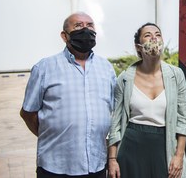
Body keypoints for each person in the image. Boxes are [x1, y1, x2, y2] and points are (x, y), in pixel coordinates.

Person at [20, 12, 116, 177]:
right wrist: (53, 134)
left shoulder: (106, 68)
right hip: (55, 165)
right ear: (64, 36)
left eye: (90, 25)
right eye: (78, 26)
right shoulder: (45, 68)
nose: (85, 30)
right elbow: (28, 113)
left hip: (96, 164)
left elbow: (113, 111)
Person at [107, 22, 186, 178]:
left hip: (164, 145)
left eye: (158, 34)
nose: (154, 38)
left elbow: (184, 118)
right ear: (138, 47)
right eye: (147, 35)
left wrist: (179, 155)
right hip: (131, 146)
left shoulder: (176, 75)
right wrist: (112, 159)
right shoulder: (125, 79)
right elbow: (115, 123)